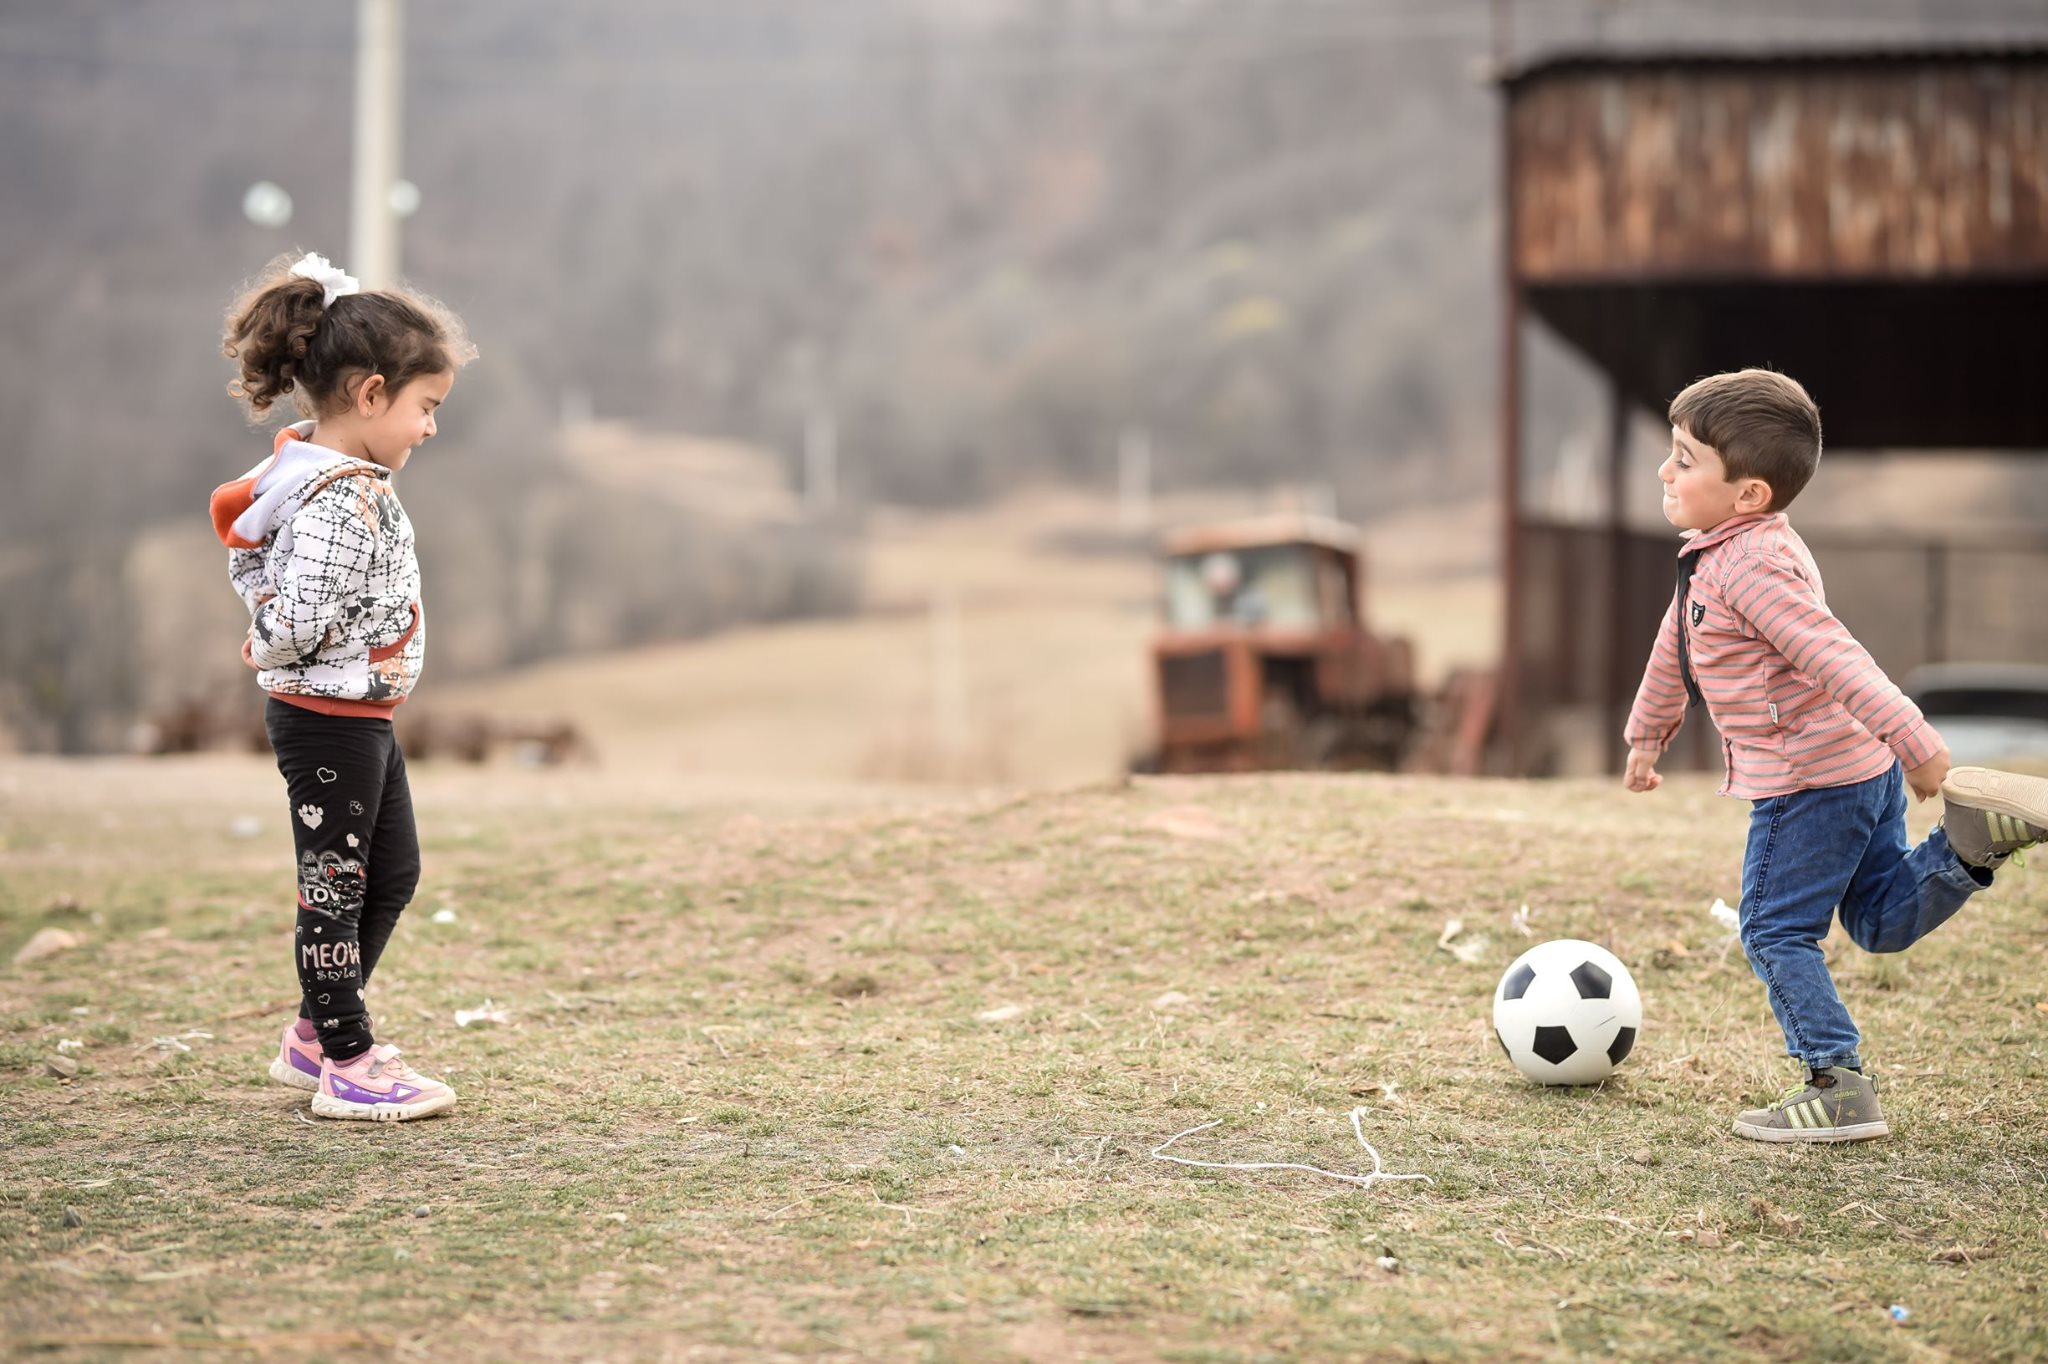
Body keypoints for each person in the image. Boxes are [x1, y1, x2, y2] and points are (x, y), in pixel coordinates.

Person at [1621, 368, 2048, 1143]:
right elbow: (1674, 640)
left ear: (1748, 493)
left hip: (1812, 785)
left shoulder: (1749, 568)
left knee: (1772, 930)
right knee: (1879, 921)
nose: (1665, 470)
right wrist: (1649, 732)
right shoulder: (1721, 553)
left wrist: (1916, 744)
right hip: (1855, 773)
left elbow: (1834, 657)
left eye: (1684, 458)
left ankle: (1836, 1082)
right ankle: (1969, 845)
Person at [210, 251, 474, 1121]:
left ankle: (314, 1034)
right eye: (424, 407)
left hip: (359, 713)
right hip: (327, 720)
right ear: (370, 395)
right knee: (337, 887)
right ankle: (348, 1058)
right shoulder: (339, 501)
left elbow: (267, 571)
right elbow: (293, 622)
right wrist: (267, 641)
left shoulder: (329, 480)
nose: (430, 427)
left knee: (391, 872)